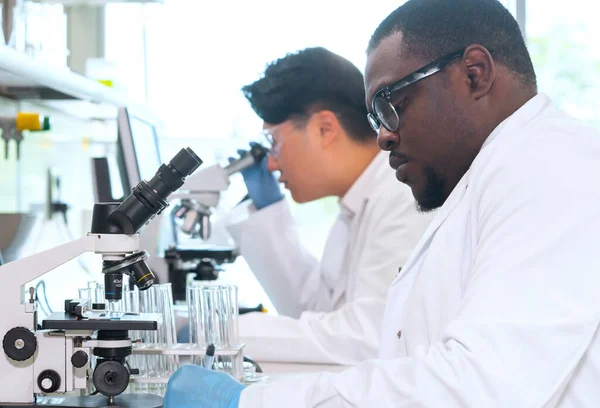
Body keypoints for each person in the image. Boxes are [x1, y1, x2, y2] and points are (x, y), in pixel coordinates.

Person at [164, 0, 600, 406]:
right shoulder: (483, 180)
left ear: (474, 73)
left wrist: (250, 400)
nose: (382, 136)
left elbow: (482, 381)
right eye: (375, 117)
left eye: (391, 104)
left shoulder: (551, 163)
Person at [223, 47, 432, 364]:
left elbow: (368, 336)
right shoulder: (357, 202)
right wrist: (268, 212)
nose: (271, 163)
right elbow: (315, 310)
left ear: (325, 129)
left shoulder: (401, 197)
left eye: (274, 142)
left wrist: (225, 334)